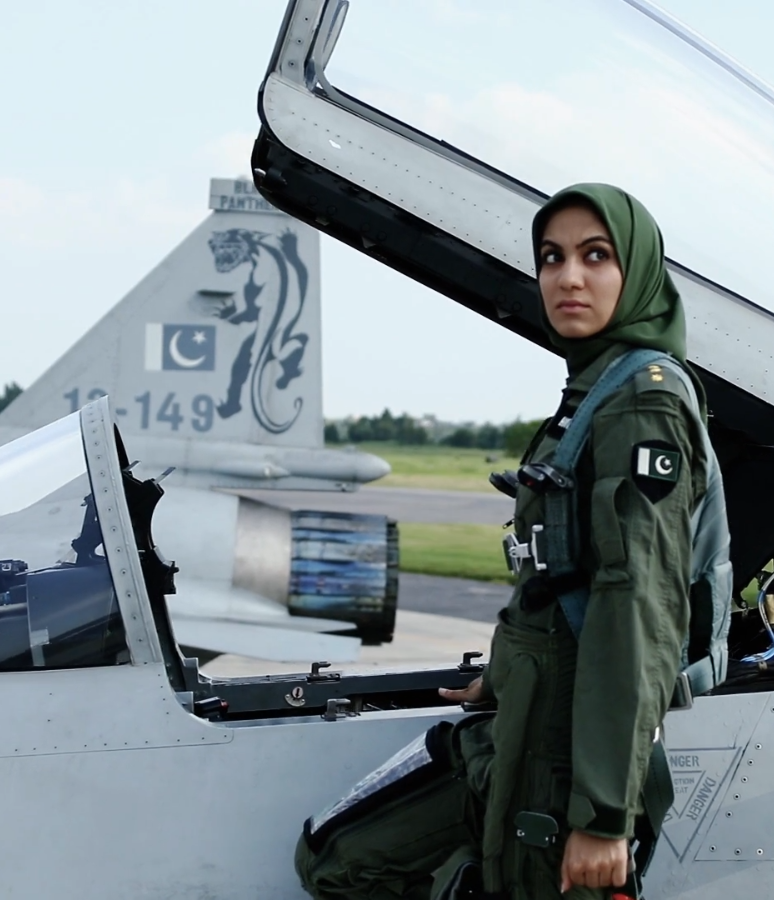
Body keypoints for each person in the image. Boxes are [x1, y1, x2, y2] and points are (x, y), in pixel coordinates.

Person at [295, 184, 725, 900]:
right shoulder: (595, 391)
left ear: (638, 270)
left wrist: (604, 816)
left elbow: (637, 612)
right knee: (341, 862)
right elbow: (558, 578)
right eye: (551, 258)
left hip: (571, 747)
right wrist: (502, 676)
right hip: (524, 712)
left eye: (596, 256)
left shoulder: (643, 403)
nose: (568, 277)